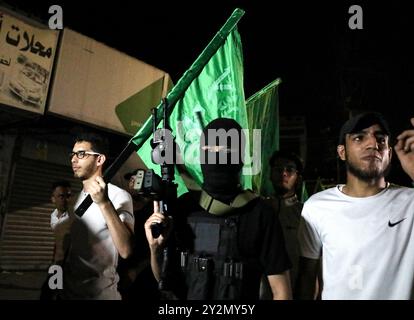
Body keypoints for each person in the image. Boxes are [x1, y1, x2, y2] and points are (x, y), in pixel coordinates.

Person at [145, 118, 292, 300]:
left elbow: (281, 291)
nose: (216, 155)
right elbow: (165, 280)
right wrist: (155, 249)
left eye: (224, 150)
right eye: (209, 150)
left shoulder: (260, 213)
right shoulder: (183, 207)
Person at [296, 112, 414, 300]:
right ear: (342, 152)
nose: (373, 144)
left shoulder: (410, 202)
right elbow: (308, 277)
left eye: (381, 140)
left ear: (389, 153)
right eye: (359, 138)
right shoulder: (317, 207)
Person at [61, 132, 134, 300]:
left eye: (81, 154)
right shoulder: (76, 199)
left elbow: (126, 250)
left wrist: (104, 203)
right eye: (72, 154)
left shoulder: (118, 196)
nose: (73, 160)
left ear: (99, 160)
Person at [260, 151, 304, 299]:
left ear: (297, 177)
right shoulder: (258, 209)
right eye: (278, 169)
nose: (283, 173)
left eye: (289, 170)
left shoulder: (306, 213)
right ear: (270, 174)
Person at [117, 169, 160, 300]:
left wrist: (136, 271)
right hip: (118, 273)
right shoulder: (121, 206)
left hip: (143, 278)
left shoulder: (154, 211)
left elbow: (157, 247)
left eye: (137, 178)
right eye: (130, 179)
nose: (132, 181)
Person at [40, 180, 74, 300]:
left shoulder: (74, 217)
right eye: (61, 196)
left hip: (70, 266)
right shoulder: (53, 216)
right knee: (51, 292)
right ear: (53, 199)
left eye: (68, 196)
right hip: (57, 263)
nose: (65, 199)